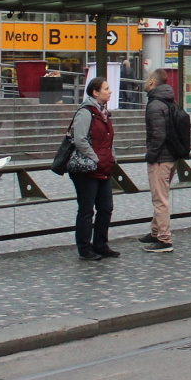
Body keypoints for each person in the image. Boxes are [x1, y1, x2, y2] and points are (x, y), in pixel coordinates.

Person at [71, 77, 118, 260]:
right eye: (106, 88)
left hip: (103, 167)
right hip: (87, 169)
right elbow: (80, 139)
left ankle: (101, 244)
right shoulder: (86, 112)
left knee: (106, 207)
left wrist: (111, 156)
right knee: (86, 209)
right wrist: (95, 158)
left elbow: (108, 139)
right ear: (95, 92)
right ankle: (85, 247)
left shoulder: (104, 112)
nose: (110, 91)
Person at [141, 68, 178, 253]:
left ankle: (164, 239)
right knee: (161, 196)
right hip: (171, 156)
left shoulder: (155, 104)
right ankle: (155, 232)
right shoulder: (170, 100)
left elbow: (158, 135)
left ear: (152, 82)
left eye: (147, 78)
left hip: (161, 159)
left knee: (160, 199)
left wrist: (151, 155)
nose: (145, 81)